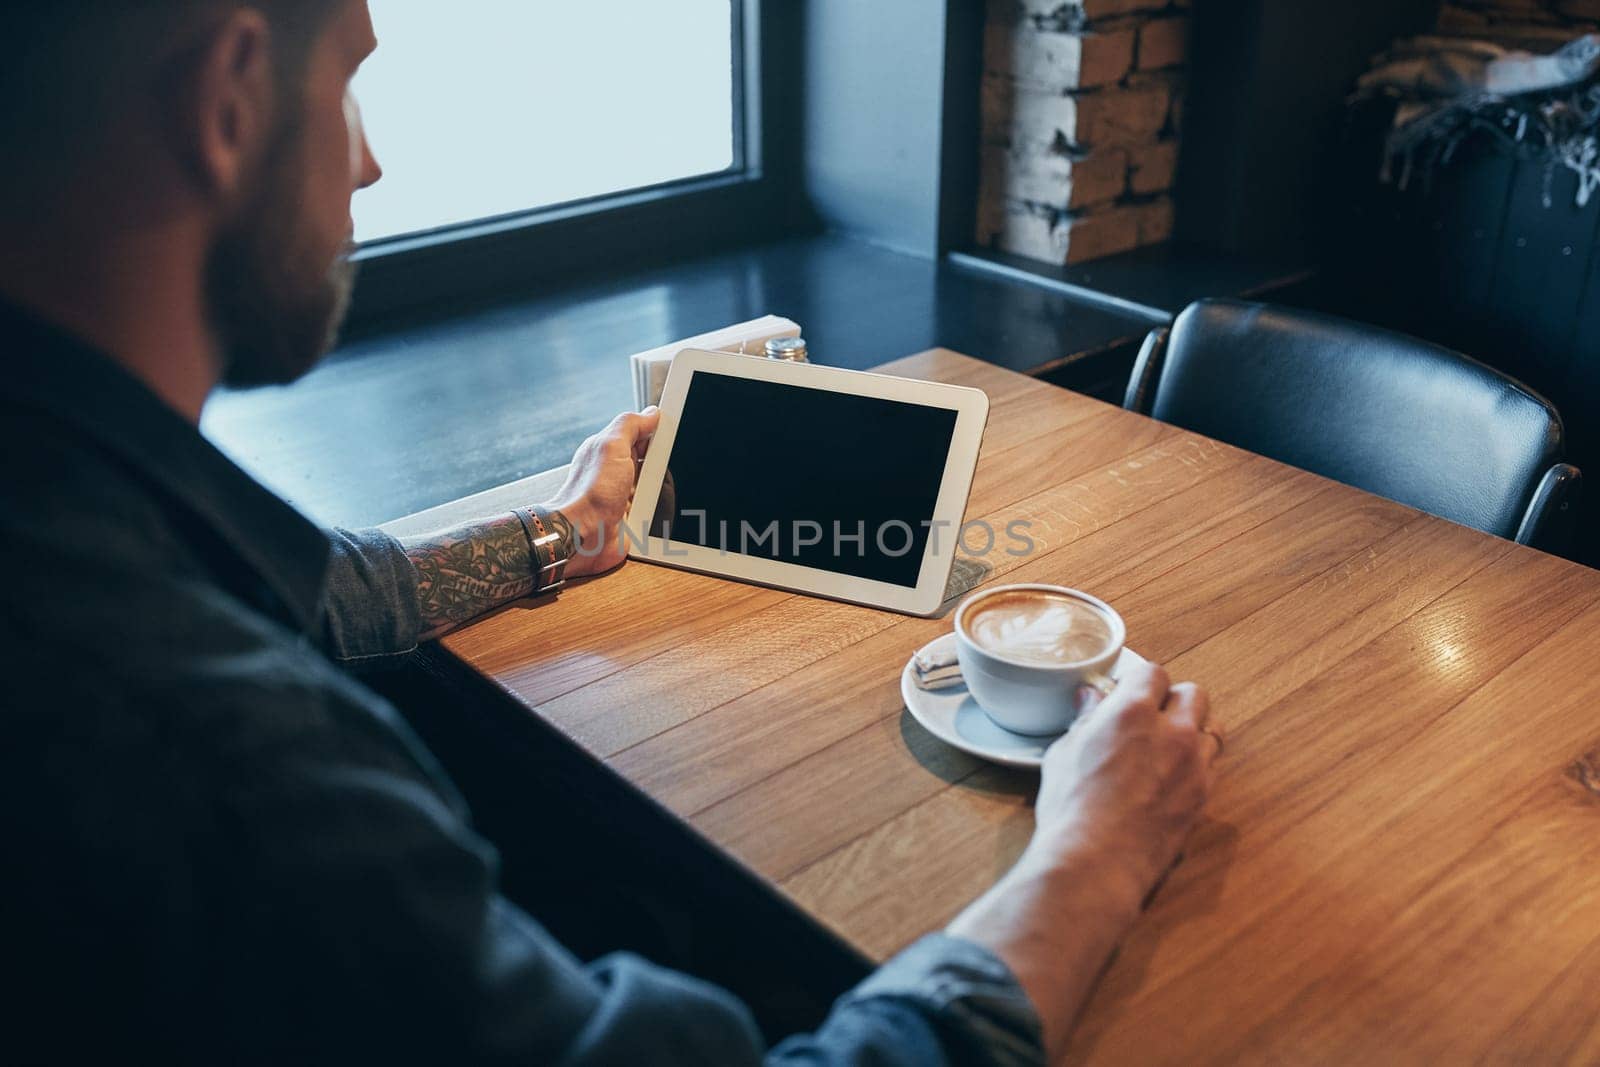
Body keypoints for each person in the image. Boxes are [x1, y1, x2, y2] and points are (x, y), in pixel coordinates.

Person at [0, 2, 1223, 1063]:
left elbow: (309, 592)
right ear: (225, 104)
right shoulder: (211, 749)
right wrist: (1097, 851)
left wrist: (559, 531)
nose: (369, 165)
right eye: (350, 81)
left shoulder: (76, 501)